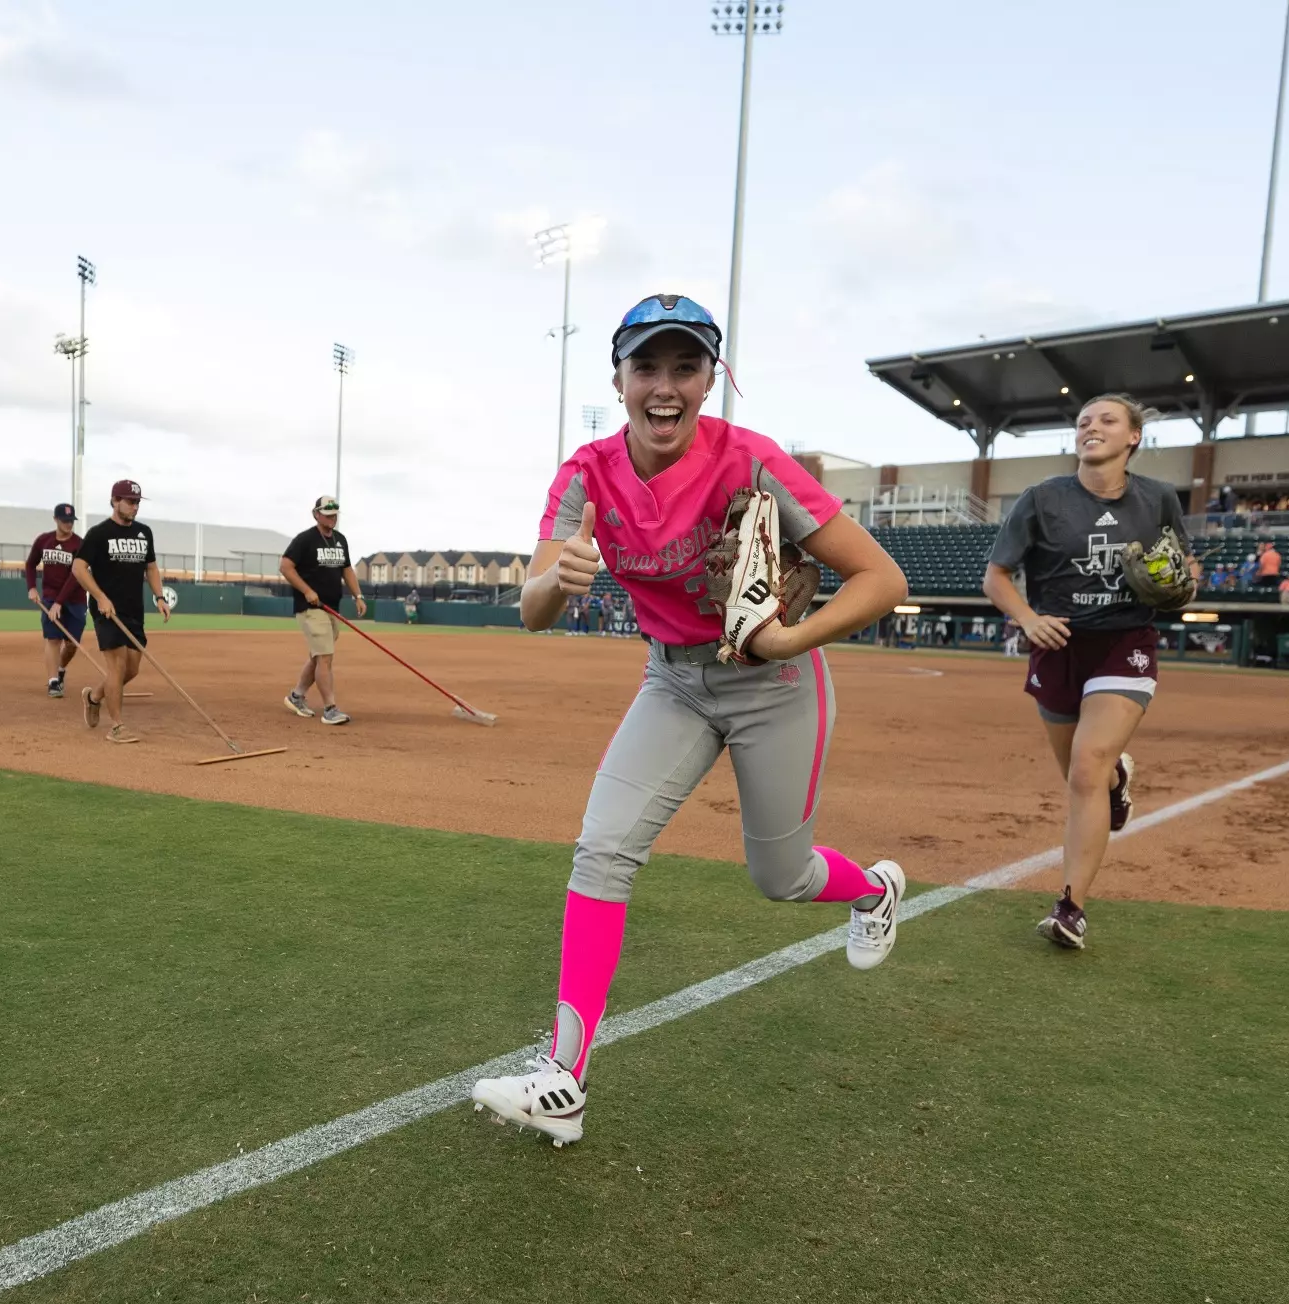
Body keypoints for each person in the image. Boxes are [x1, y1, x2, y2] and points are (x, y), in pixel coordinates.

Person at [468, 293, 908, 1146]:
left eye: (685, 367)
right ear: (619, 378)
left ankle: (876, 888)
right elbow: (530, 611)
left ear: (712, 379)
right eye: (647, 367)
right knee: (603, 849)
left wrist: (785, 639)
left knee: (780, 876)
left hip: (774, 686)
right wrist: (562, 577)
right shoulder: (585, 475)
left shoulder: (752, 461)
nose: (664, 387)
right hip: (672, 682)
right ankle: (565, 1081)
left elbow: (881, 580)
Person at [984, 392, 1188, 952]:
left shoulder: (1160, 499)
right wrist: (1027, 618)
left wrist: (1178, 585)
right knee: (1084, 771)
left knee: (1084, 768)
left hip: (1125, 643)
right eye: (1083, 422)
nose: (1090, 427)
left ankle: (1071, 907)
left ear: (1133, 437)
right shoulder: (1041, 500)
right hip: (1057, 646)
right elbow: (996, 575)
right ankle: (1119, 782)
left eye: (1106, 420)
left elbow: (1181, 569)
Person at [70, 479, 169, 744]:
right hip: (107, 610)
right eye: (129, 501)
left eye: (137, 502)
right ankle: (117, 726)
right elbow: (79, 568)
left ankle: (93, 697)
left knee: (132, 670)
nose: (134, 507)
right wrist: (100, 597)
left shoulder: (144, 532)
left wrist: (159, 596)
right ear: (115, 501)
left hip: (133, 610)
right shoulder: (99, 533)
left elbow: (151, 567)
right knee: (117, 666)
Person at [280, 496, 367, 726]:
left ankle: (296, 696)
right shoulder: (305, 540)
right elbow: (285, 566)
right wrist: (307, 590)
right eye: (328, 514)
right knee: (325, 657)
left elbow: (347, 569)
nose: (332, 518)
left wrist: (358, 595)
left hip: (331, 607)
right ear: (316, 514)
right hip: (310, 608)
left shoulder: (340, 540)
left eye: (335, 514)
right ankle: (330, 708)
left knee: (318, 657)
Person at [23, 502, 87, 698]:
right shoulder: (44, 540)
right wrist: (32, 587)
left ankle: (60, 669)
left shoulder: (79, 544)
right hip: (50, 597)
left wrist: (60, 602)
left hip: (74, 599)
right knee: (53, 638)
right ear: (55, 520)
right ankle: (53, 682)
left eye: (71, 521)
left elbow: (75, 576)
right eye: (64, 520)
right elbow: (31, 564)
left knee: (71, 644)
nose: (68, 524)